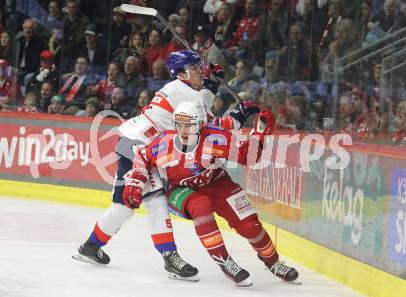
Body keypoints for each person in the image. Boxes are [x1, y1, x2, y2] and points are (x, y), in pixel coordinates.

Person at [73, 50, 260, 281]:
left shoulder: (181, 89)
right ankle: (170, 257)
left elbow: (201, 102)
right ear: (181, 72)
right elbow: (211, 126)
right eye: (195, 67)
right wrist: (239, 115)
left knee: (123, 206)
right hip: (140, 147)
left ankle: (90, 247)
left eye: (200, 66)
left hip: (129, 142)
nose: (201, 70)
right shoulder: (185, 94)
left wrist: (211, 85)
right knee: (156, 199)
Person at [122, 102, 299, 286]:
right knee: (201, 206)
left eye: (189, 125)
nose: (183, 130)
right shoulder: (164, 144)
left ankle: (273, 262)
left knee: (250, 226)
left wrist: (260, 133)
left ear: (199, 124)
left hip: (217, 183)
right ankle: (225, 262)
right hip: (180, 189)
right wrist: (134, 184)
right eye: (179, 124)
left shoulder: (217, 138)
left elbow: (248, 157)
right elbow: (142, 158)